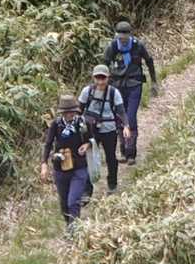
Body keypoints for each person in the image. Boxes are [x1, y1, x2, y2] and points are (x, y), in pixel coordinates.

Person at [106, 19, 157, 164]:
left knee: (131, 117)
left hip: (134, 84)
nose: (122, 39)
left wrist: (154, 82)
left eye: (125, 36)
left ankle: (131, 152)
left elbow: (149, 61)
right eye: (120, 36)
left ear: (130, 34)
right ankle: (123, 150)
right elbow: (104, 65)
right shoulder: (112, 46)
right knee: (119, 117)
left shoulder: (137, 45)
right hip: (117, 86)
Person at [41, 94, 93, 227]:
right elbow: (48, 144)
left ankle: (73, 232)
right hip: (60, 168)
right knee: (64, 204)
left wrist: (87, 145)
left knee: (73, 202)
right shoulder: (56, 124)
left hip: (79, 167)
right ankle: (70, 225)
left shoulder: (83, 123)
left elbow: (93, 139)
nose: (69, 114)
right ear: (62, 113)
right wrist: (44, 164)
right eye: (66, 112)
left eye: (72, 111)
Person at [79, 64, 129, 193]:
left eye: (103, 78)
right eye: (98, 78)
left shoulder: (114, 93)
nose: (100, 81)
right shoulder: (87, 91)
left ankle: (112, 185)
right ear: (93, 78)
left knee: (111, 158)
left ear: (108, 78)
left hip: (109, 130)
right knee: (88, 159)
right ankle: (87, 190)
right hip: (90, 130)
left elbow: (121, 111)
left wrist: (126, 126)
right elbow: (79, 110)